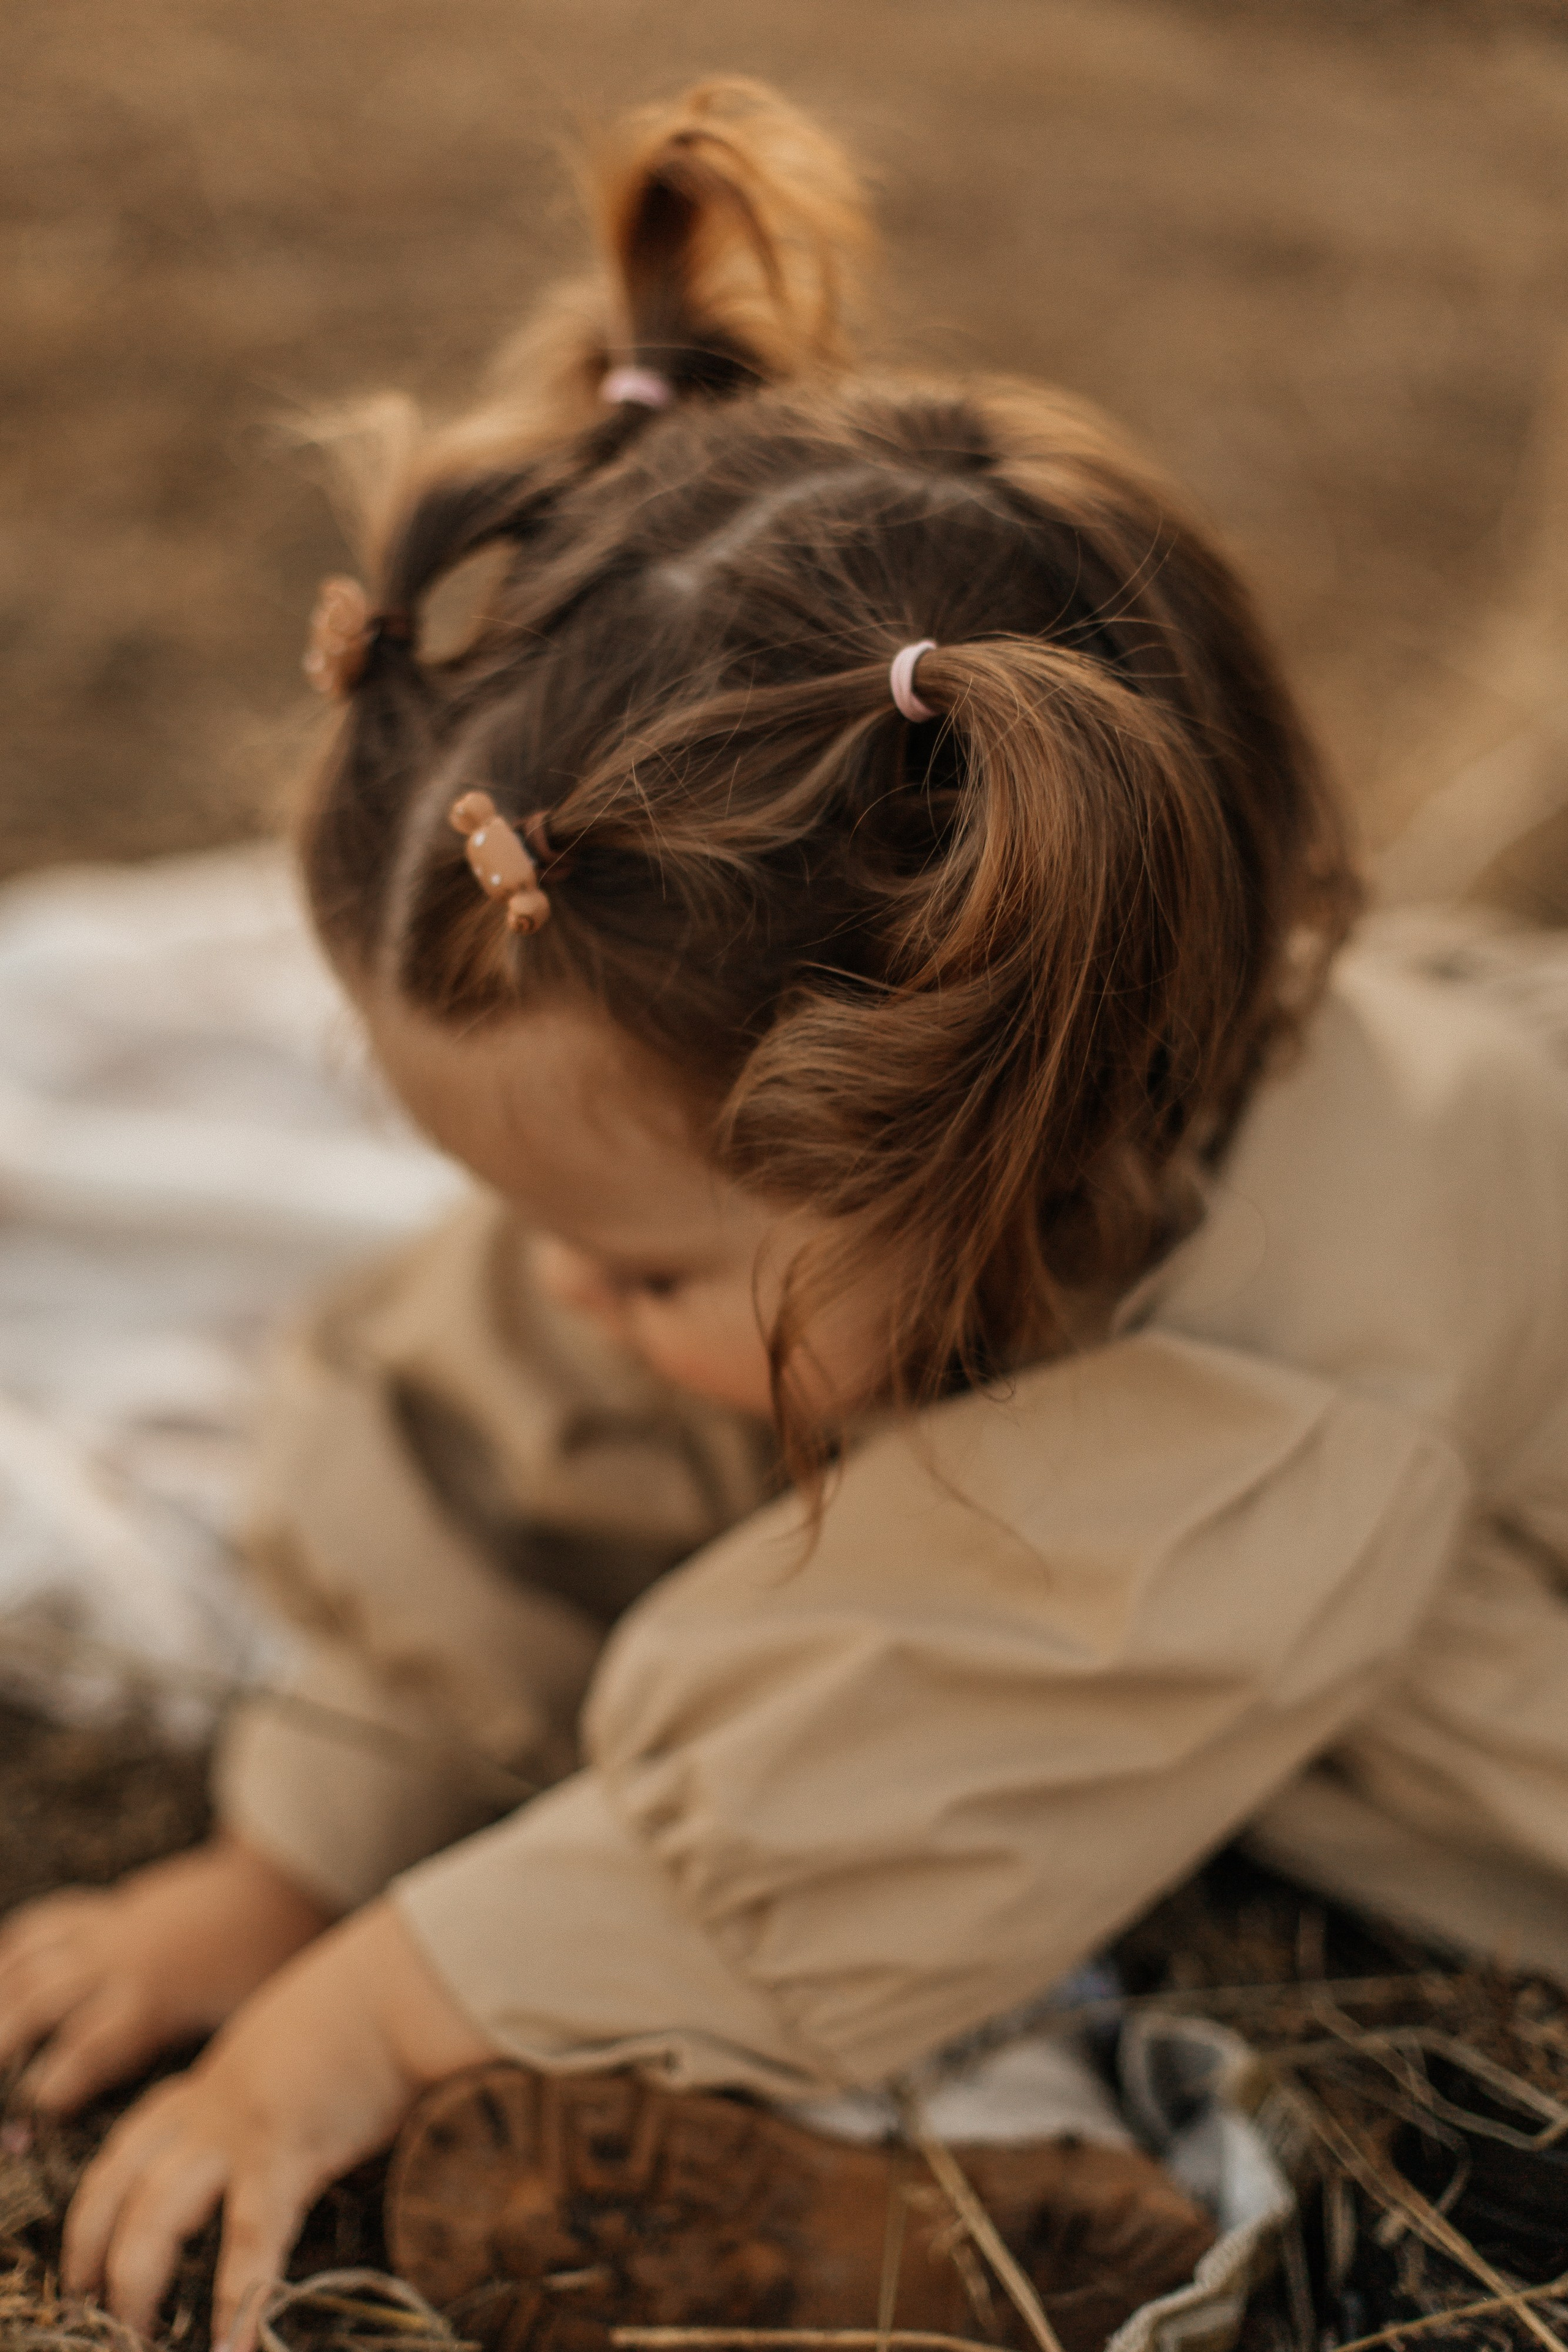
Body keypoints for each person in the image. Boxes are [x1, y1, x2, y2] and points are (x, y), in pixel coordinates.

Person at [3, 73, 1568, 2352]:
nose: (557, 1294)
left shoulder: (1296, 1378)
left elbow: (916, 1736)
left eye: (643, 1264)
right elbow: (500, 1397)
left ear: (994, 1163)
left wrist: (369, 2012)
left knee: (988, 1649)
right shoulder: (945, 1152)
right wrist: (302, 1841)